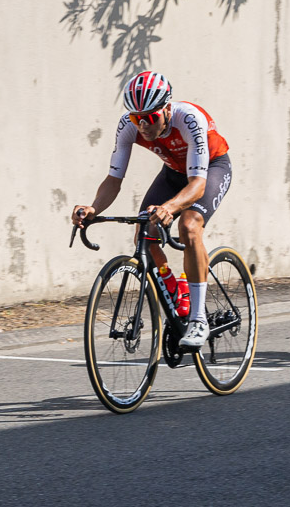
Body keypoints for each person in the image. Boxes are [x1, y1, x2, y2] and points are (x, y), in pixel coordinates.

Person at [72, 71, 233, 348]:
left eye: (151, 117)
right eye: (137, 118)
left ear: (167, 109)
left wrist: (170, 207)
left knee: (189, 226)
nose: (143, 124)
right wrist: (93, 208)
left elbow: (197, 184)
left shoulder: (189, 119)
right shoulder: (128, 126)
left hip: (210, 169)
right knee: (144, 231)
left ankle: (198, 320)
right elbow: (113, 180)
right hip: (173, 172)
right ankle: (174, 288)